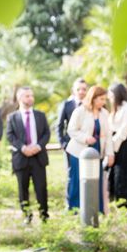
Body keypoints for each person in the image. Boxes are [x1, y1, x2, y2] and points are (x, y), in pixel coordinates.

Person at [66, 86, 114, 213]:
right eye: (101, 99)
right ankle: (76, 210)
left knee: (96, 180)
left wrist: (110, 154)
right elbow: (71, 130)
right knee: (78, 180)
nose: (103, 102)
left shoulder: (104, 113)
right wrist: (85, 138)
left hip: (98, 151)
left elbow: (108, 135)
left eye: (105, 99)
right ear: (93, 98)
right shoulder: (80, 111)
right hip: (79, 151)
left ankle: (96, 210)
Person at [6, 86, 51, 223]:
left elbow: (46, 134)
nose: (31, 98)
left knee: (41, 188)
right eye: (27, 96)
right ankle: (27, 215)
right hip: (21, 158)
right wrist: (23, 148)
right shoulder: (12, 117)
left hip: (38, 158)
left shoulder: (40, 115)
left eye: (32, 95)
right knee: (22, 189)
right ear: (20, 98)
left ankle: (44, 215)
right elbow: (10, 135)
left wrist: (38, 146)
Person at [57, 78, 88, 207]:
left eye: (84, 89)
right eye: (78, 89)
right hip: (71, 146)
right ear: (73, 91)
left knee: (87, 174)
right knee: (72, 174)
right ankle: (71, 205)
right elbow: (59, 126)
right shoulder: (67, 104)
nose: (81, 92)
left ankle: (85, 202)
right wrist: (63, 144)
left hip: (88, 146)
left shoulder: (90, 105)